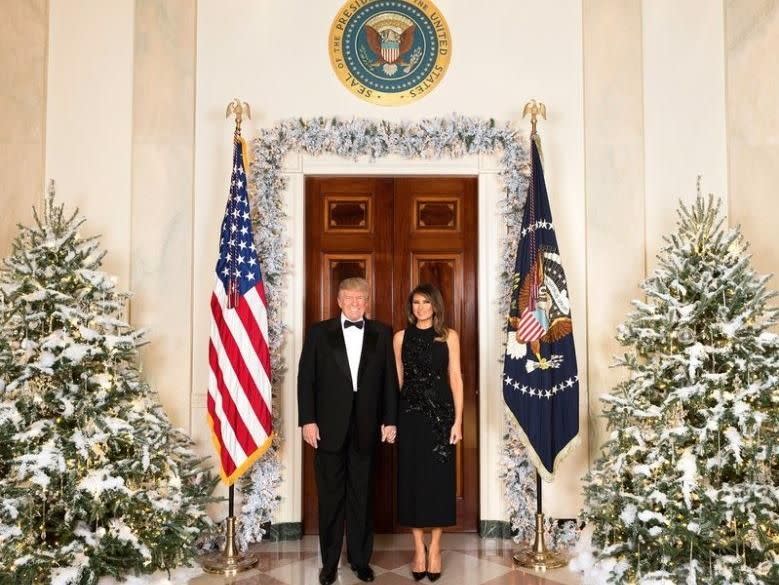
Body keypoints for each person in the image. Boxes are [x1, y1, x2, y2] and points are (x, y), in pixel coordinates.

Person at [298, 277, 398, 585]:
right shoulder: (318, 332)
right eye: (349, 299)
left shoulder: (382, 333)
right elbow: (307, 380)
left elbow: (389, 382)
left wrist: (390, 420)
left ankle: (359, 560)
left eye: (361, 299)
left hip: (367, 426)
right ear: (339, 301)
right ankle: (329, 564)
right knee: (330, 498)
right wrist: (308, 420)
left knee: (362, 496)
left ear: (367, 302)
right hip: (327, 427)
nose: (355, 304)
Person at [393, 283, 463, 582]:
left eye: (425, 302)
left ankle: (435, 547)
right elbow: (397, 380)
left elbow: (456, 378)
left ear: (435, 305)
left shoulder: (449, 337)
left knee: (437, 482)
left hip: (441, 419)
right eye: (416, 303)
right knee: (412, 480)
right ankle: (417, 549)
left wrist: (458, 421)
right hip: (410, 417)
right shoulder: (400, 338)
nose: (420, 308)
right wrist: (394, 419)